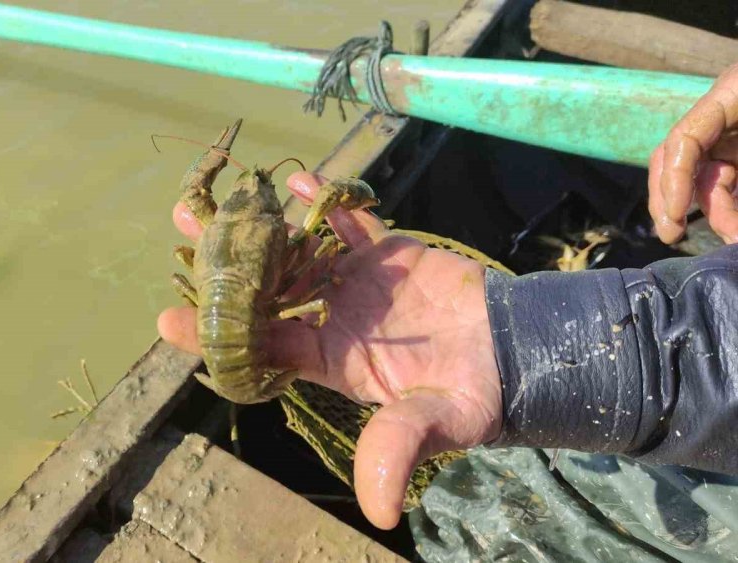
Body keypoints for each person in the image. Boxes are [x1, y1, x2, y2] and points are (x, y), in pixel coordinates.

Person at [158, 63, 738, 560]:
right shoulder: (278, 246)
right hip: (252, 339)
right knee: (329, 211)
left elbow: (195, 201)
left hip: (238, 324)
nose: (258, 192)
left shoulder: (216, 235)